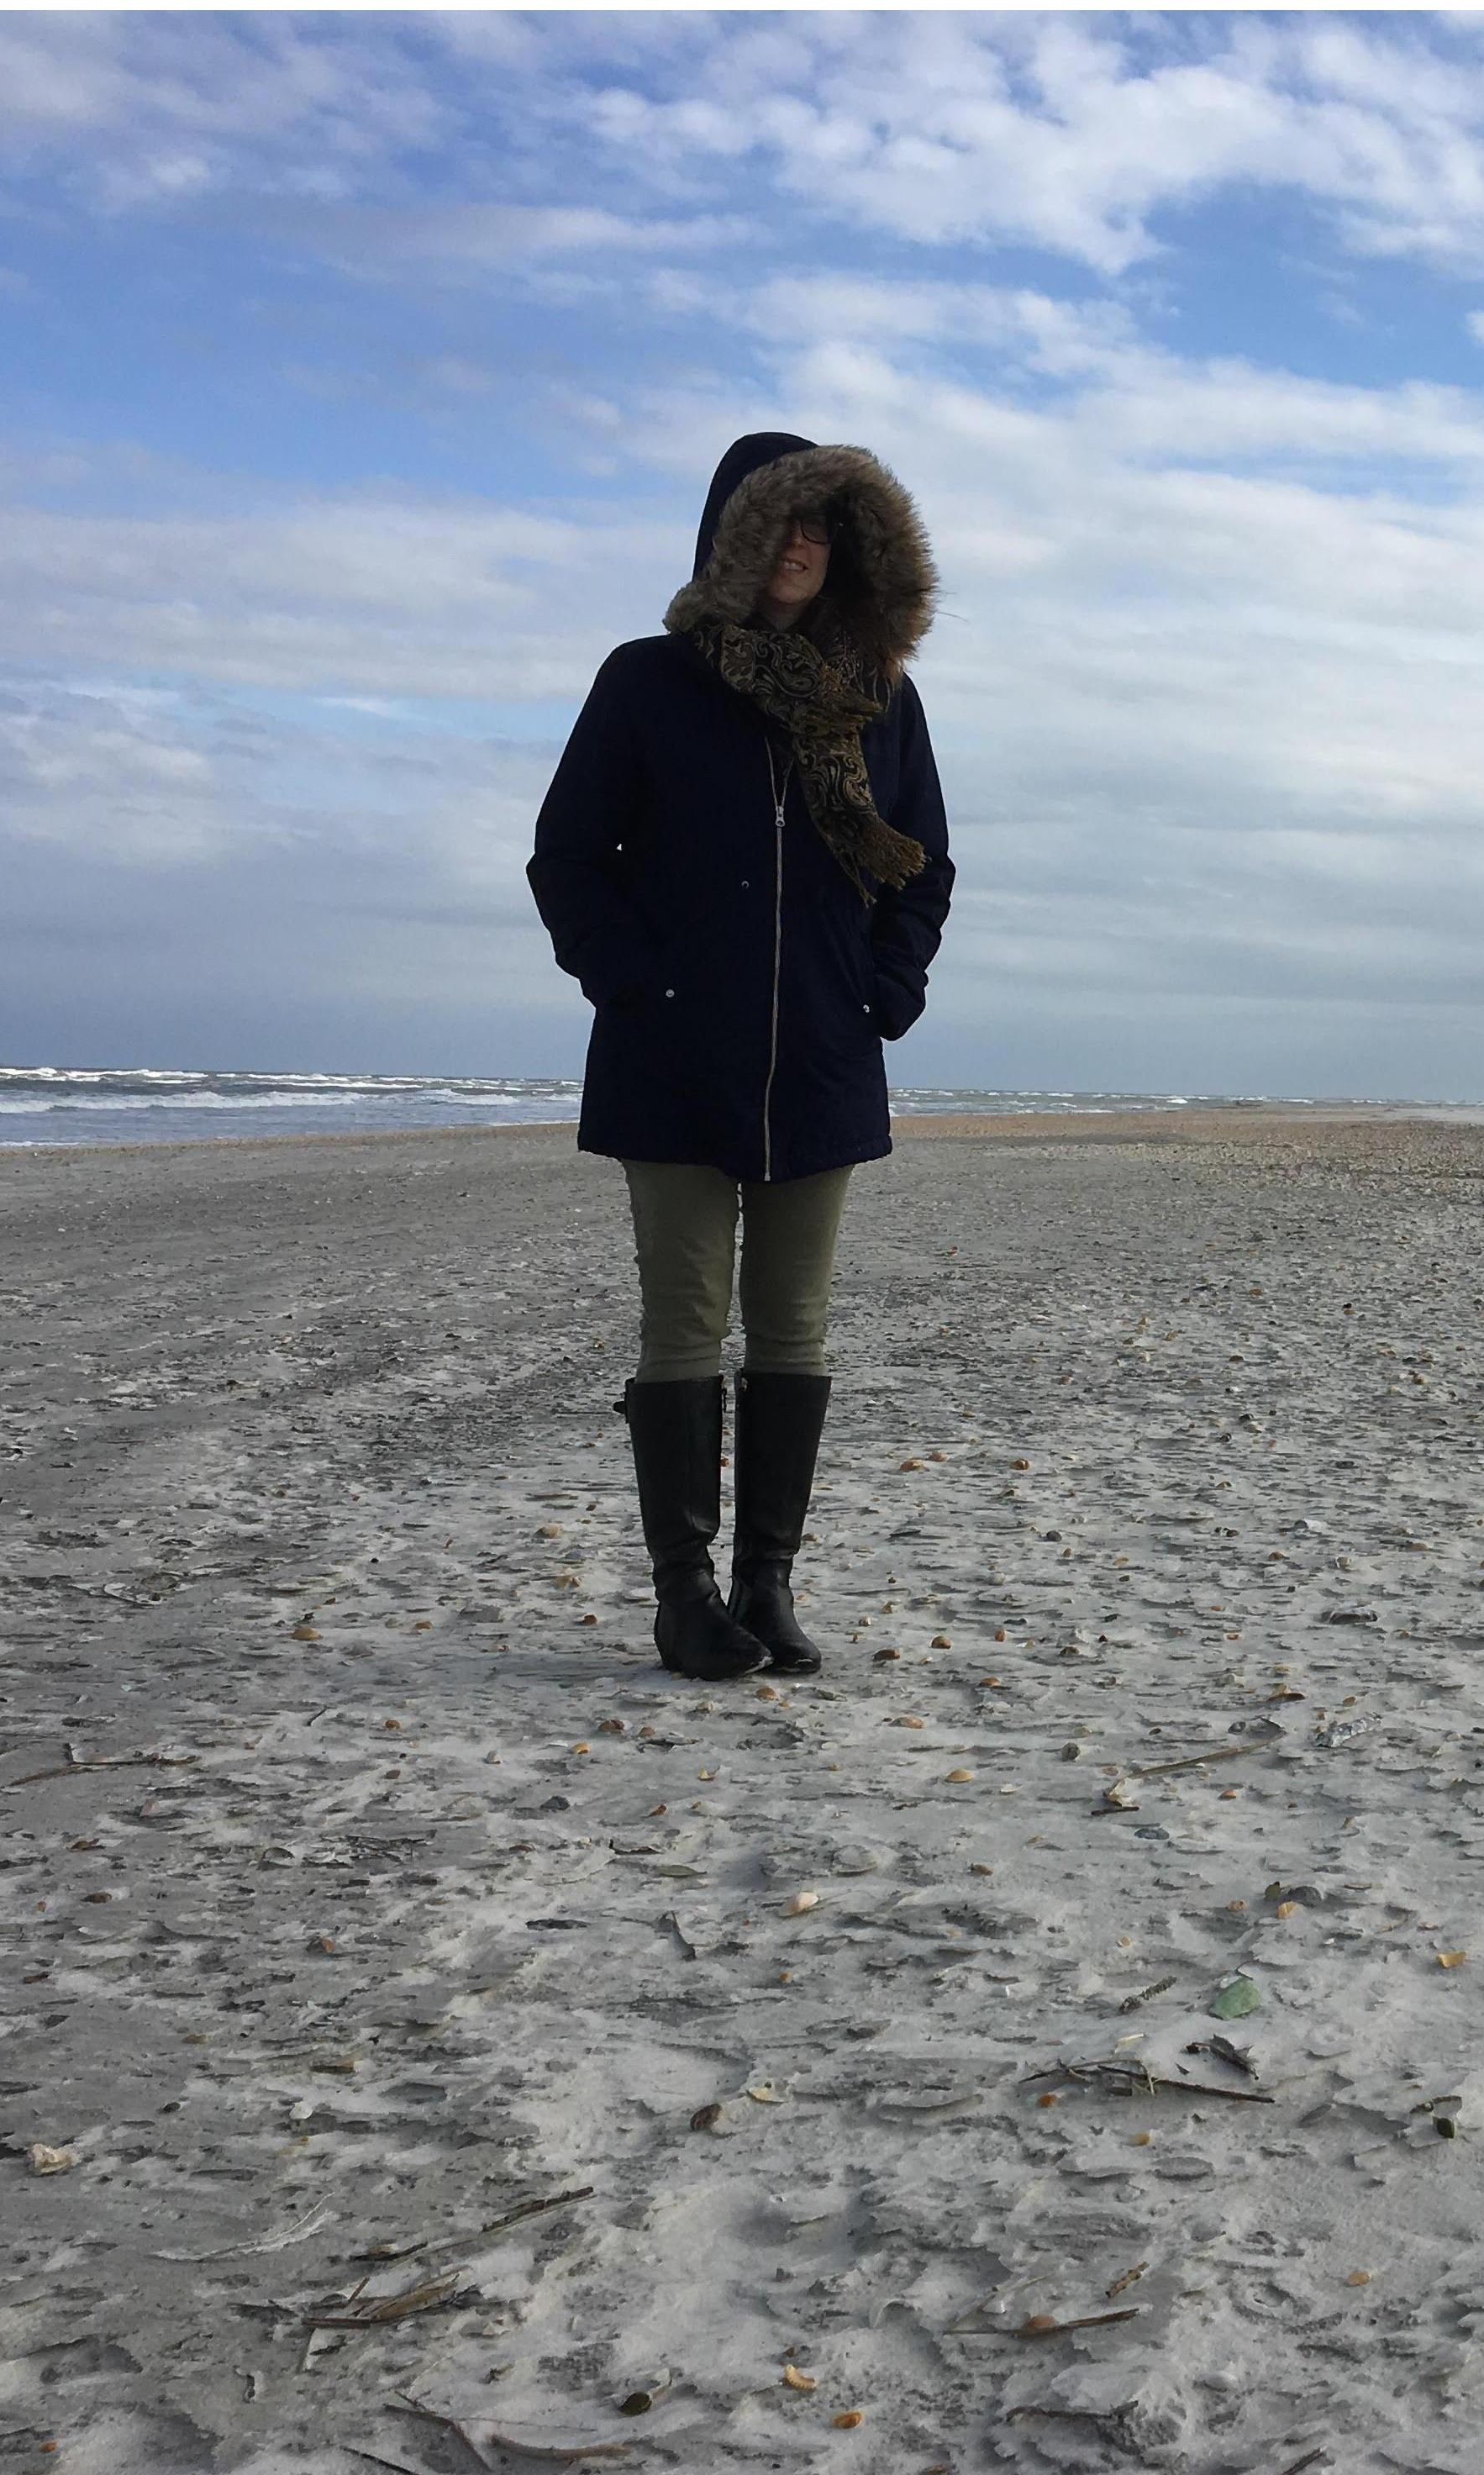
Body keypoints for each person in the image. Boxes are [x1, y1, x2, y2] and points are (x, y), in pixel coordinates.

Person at [529, 431, 953, 1680]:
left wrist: (885, 987)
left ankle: (767, 1587)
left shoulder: (883, 695)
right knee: (683, 1326)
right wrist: (632, 984)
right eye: (786, 522)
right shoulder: (648, 681)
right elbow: (568, 858)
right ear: (733, 537)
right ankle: (683, 1595)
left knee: (793, 1330)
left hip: (821, 1060)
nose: (807, 545)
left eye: (830, 526)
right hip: (671, 1064)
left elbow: (920, 861)